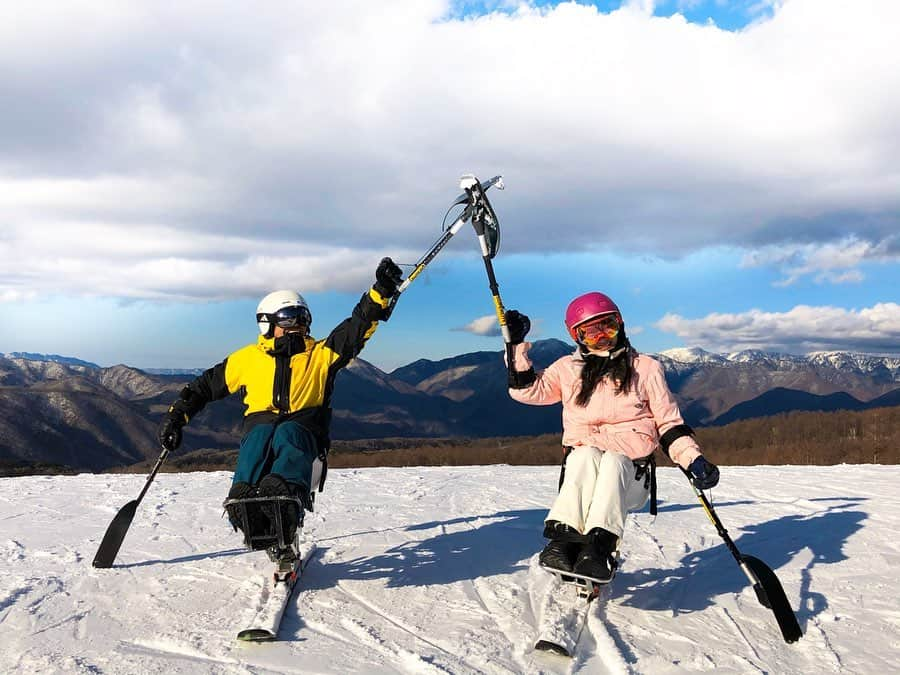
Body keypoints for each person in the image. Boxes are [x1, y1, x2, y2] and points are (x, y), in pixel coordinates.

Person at [157, 257, 404, 555]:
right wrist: (176, 418)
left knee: (287, 433)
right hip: (260, 428)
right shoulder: (247, 359)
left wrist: (381, 291)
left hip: (304, 430)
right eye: (288, 318)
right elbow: (203, 388)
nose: (297, 325)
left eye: (303, 318)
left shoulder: (321, 354)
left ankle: (284, 496)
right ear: (268, 323)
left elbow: (358, 326)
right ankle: (244, 501)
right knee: (259, 437)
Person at [504, 291, 719, 582]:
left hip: (630, 478)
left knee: (614, 460)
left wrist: (693, 460)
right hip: (584, 473)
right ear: (577, 337)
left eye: (608, 326)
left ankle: (599, 547)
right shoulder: (568, 370)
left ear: (620, 324)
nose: (602, 336)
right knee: (583, 455)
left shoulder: (644, 368)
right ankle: (563, 540)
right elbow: (527, 390)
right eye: (591, 332)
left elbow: (668, 423)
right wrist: (514, 344)